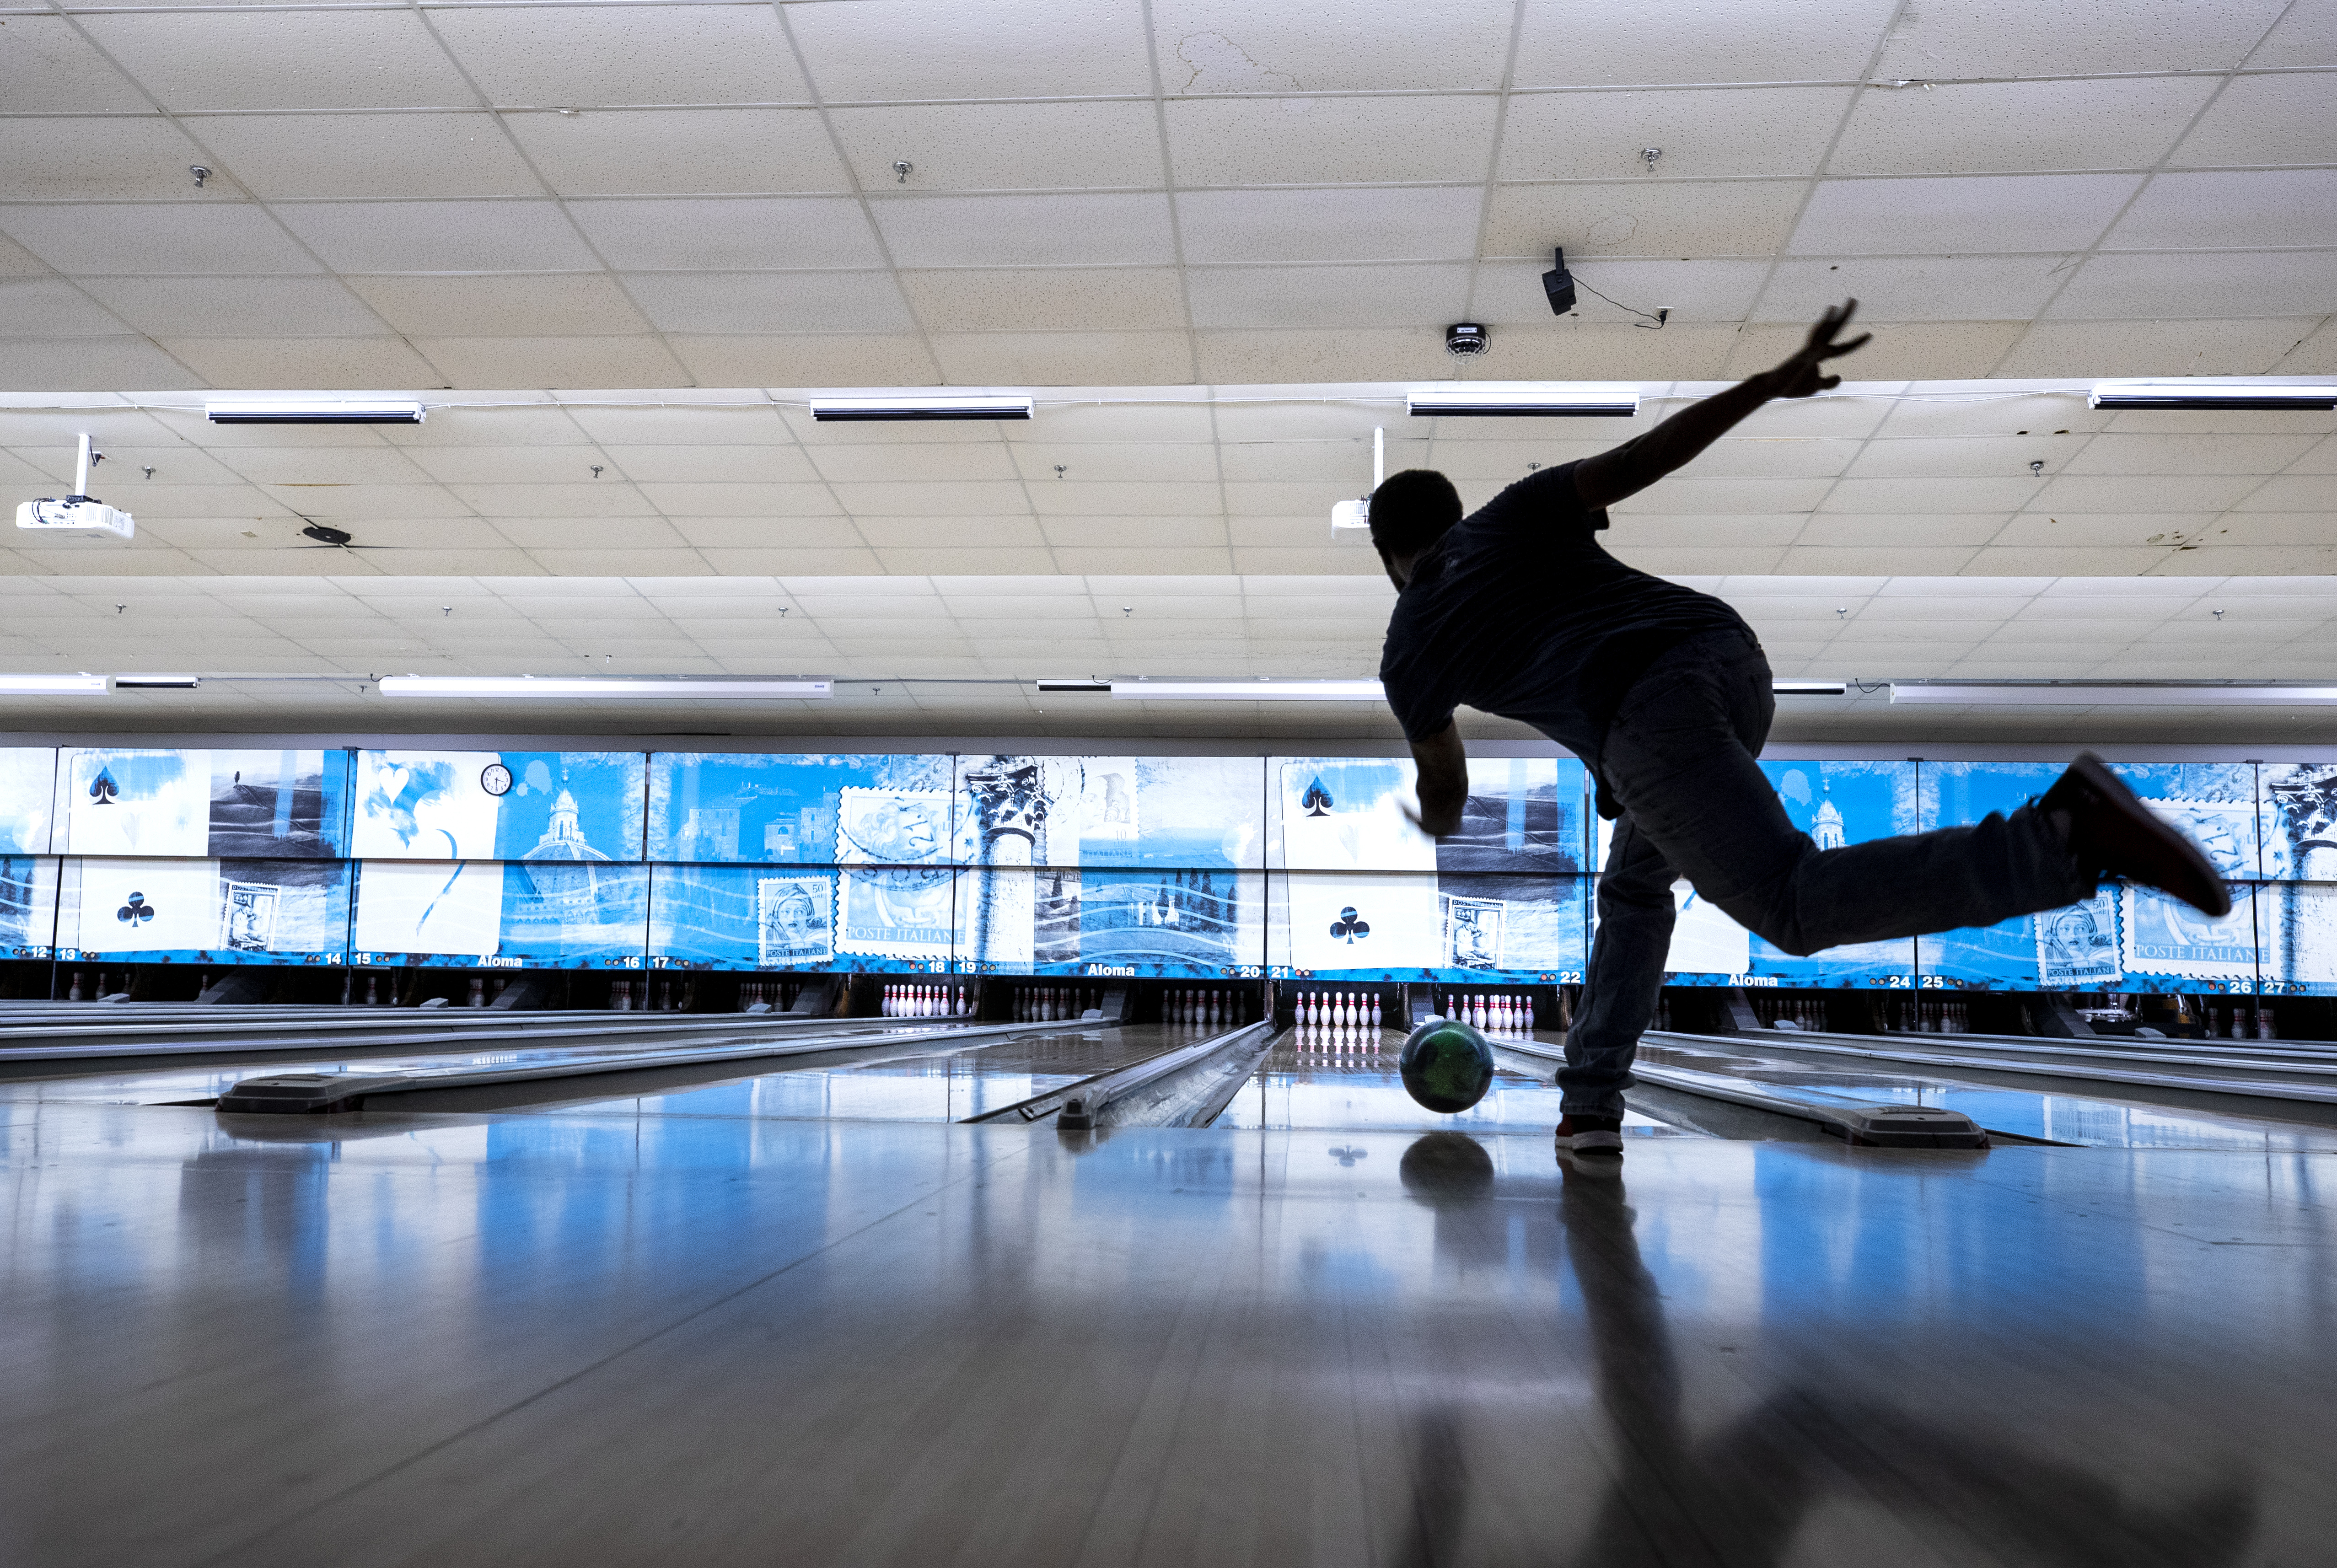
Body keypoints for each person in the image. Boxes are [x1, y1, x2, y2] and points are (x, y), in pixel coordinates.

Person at [1373, 301, 2229, 1160]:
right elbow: (1640, 460)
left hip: (1653, 719)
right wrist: (1765, 385)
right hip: (1729, 660)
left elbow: (1444, 782)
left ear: (1386, 559)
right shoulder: (1512, 514)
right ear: (1457, 512)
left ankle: (2061, 842)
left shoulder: (1410, 643)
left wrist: (1436, 817)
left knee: (1787, 902)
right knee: (1635, 888)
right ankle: (1590, 1102)